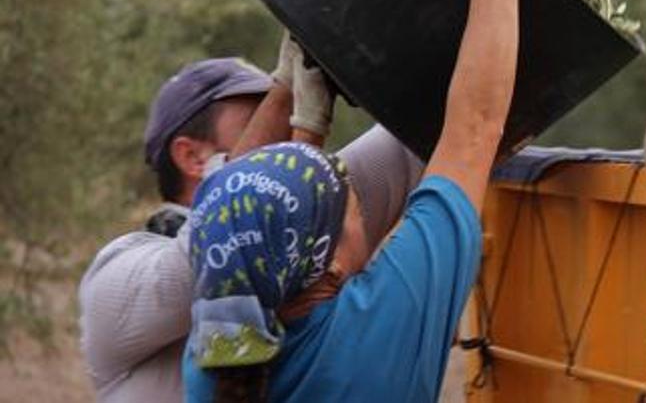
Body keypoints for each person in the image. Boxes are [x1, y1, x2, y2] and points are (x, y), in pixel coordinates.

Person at [182, 0, 531, 401]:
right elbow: (474, 129)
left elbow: (239, 216)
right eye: (353, 206)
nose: (366, 210)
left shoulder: (216, 365)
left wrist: (303, 117)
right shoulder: (382, 323)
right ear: (334, 260)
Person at [78, 41, 426, 401]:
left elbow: (417, 138)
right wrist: (287, 99)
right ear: (192, 156)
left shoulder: (315, 214)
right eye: (259, 119)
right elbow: (226, 247)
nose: (281, 144)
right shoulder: (114, 283)